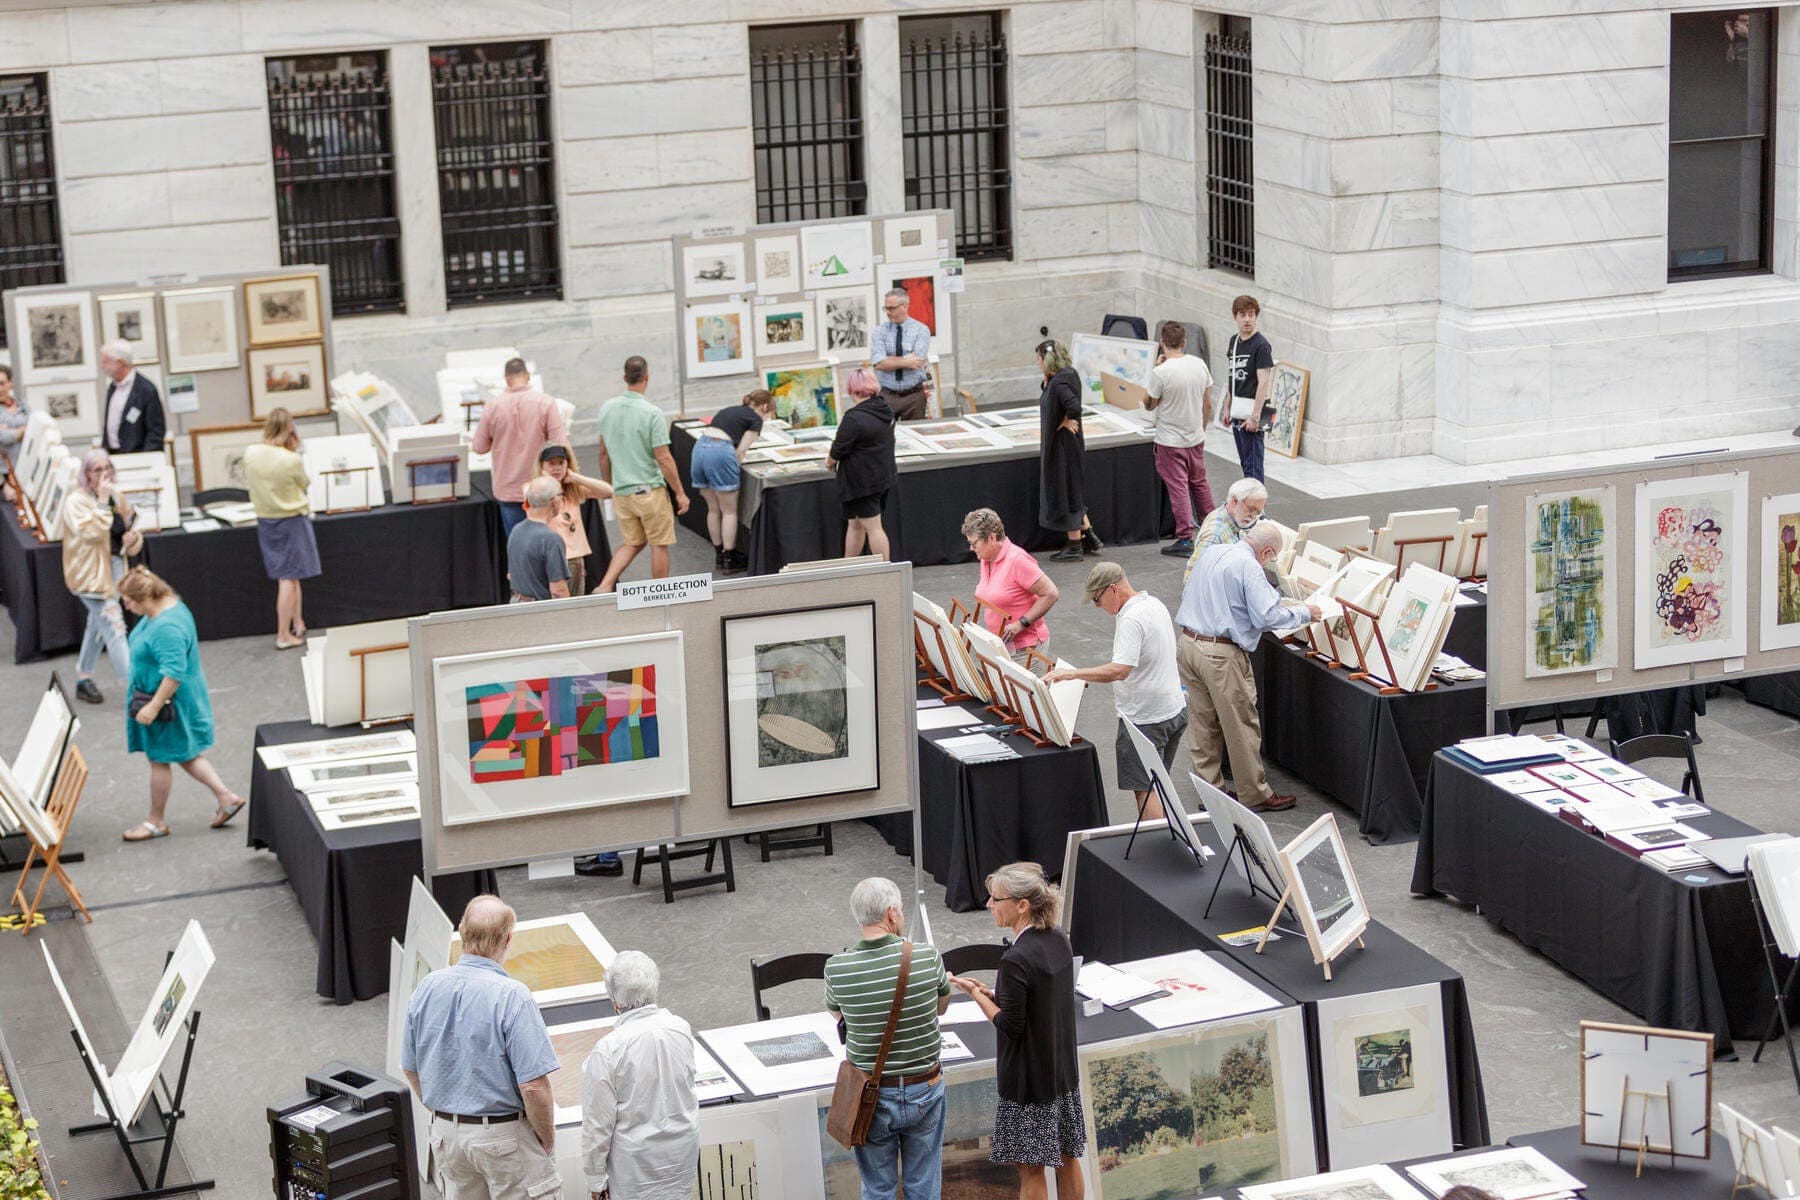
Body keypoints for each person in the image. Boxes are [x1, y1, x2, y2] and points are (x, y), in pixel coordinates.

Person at [402, 895, 563, 1200]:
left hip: (447, 1138)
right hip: (504, 1138)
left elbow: (410, 1067)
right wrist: (546, 1140)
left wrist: (446, 1111)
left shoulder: (427, 986)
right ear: (508, 938)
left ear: (462, 929)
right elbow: (533, 1087)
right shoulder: (513, 996)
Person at [949, 863, 1085, 1200]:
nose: (989, 905)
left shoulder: (1015, 959)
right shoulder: (1057, 939)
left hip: (1027, 1085)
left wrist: (976, 995)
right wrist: (996, 994)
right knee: (1068, 1157)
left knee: (1031, 1169)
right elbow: (1039, 1000)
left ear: (1022, 904)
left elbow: (1010, 1024)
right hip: (1061, 1074)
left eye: (996, 899)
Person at [1176, 523, 1320, 813]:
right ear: (1266, 551)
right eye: (1272, 557)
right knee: (1240, 724)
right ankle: (1254, 794)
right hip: (1219, 654)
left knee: (1203, 723)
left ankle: (1210, 792)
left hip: (1188, 643)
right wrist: (1305, 611)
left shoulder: (1214, 551)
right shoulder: (1249, 566)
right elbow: (1267, 615)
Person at [824, 877, 952, 1200]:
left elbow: (841, 1017)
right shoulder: (927, 957)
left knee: (877, 1189)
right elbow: (941, 1008)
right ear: (892, 914)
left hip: (871, 1096)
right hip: (926, 1089)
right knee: (924, 1186)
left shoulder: (836, 969)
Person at [1046, 563, 1186, 820]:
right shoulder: (1153, 604)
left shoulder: (1131, 618)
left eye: (1097, 600)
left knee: (1145, 788)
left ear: (1113, 589)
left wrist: (1073, 674)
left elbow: (1120, 670)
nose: (1098, 607)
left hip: (1145, 719)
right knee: (1159, 782)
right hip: (1173, 710)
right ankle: (1165, 839)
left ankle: (1155, 845)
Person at [117, 567, 245, 841]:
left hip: (167, 706)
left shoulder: (166, 628)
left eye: (129, 600)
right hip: (172, 701)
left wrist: (152, 706)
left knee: (159, 759)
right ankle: (226, 797)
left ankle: (155, 821)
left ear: (145, 598)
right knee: (185, 753)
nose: (126, 605)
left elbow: (173, 673)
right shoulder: (169, 607)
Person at [580, 951, 699, 1200]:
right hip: (680, 1157)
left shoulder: (609, 1049)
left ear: (614, 1001)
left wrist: (596, 1180)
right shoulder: (680, 1028)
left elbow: (597, 1125)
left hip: (634, 1169)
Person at [596, 357, 690, 593]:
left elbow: (603, 453)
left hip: (622, 491)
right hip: (649, 491)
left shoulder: (606, 409)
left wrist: (609, 486)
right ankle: (661, 596)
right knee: (659, 544)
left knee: (633, 542)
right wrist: (679, 492)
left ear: (625, 378)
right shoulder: (652, 413)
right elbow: (663, 457)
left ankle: (605, 585)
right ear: (647, 377)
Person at [61, 449, 141, 705]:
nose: (105, 473)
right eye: (97, 469)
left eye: (108, 467)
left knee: (97, 625)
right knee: (115, 626)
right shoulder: (76, 502)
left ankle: (83, 679)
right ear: (86, 475)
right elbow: (93, 534)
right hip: (91, 577)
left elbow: (131, 530)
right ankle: (135, 689)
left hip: (116, 568)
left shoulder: (117, 496)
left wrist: (133, 539)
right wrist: (103, 502)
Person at [242, 408, 320, 650]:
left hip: (266, 522)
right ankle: (283, 635)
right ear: (290, 430)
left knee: (291, 576)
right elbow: (305, 483)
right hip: (291, 522)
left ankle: (298, 622)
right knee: (288, 578)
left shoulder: (251, 452)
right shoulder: (290, 459)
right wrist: (292, 450)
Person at [472, 356, 569, 536]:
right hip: (541, 486)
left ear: (506, 378)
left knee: (519, 545)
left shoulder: (492, 406)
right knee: (547, 542)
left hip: (508, 487)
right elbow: (560, 445)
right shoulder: (546, 403)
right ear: (528, 375)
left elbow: (479, 447)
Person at [1147, 320, 1216, 558]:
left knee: (1178, 488)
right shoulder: (1199, 364)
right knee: (1200, 483)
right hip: (1195, 436)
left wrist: (1155, 367)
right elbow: (1207, 403)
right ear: (1185, 342)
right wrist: (1202, 428)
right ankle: (1213, 530)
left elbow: (1149, 404)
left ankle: (1185, 538)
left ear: (1162, 343)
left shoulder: (1161, 372)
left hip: (1170, 441)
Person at [692, 389, 774, 574]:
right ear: (765, 406)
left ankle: (719, 555)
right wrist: (734, 469)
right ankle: (730, 558)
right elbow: (741, 451)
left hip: (700, 448)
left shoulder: (730, 410)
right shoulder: (756, 419)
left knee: (713, 509)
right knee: (729, 511)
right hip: (720, 451)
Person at [963, 508, 1058, 662]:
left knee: (1022, 687)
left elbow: (1051, 593)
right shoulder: (986, 558)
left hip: (1026, 650)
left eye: (974, 543)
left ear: (992, 538)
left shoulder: (1017, 560)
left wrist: (1022, 623)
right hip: (1002, 646)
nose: (971, 548)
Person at [1036, 339, 1099, 562]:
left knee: (1067, 490)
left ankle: (1074, 545)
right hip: (1069, 444)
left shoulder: (1060, 383)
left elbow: (1073, 406)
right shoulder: (1067, 374)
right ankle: (1089, 535)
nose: (1038, 363)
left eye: (1039, 359)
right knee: (1073, 487)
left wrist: (1064, 420)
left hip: (1062, 446)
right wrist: (1047, 383)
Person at [828, 368, 896, 560]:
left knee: (873, 528)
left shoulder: (854, 417)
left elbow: (839, 448)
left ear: (852, 390)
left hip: (861, 482)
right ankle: (849, 566)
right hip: (881, 476)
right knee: (855, 523)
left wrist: (829, 462)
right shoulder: (884, 408)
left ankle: (886, 570)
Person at [534, 443, 612, 597]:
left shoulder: (573, 490)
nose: (557, 468)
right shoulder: (535, 490)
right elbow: (533, 498)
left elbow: (608, 491)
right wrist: (548, 482)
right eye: (551, 463)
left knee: (576, 604)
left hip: (575, 559)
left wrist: (575, 477)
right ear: (541, 466)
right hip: (553, 559)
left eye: (561, 463)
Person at [1222, 295, 1274, 483]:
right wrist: (1227, 407)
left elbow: (1264, 382)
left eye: (1251, 314)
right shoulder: (1234, 342)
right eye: (1242, 315)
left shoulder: (1261, 345)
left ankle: (1257, 509)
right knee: (1245, 463)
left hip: (1253, 412)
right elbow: (1232, 377)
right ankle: (1250, 506)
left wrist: (1255, 416)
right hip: (1237, 408)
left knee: (1254, 464)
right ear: (1235, 317)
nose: (1247, 319)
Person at [1182, 477, 1269, 583]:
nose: (1254, 515)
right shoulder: (1215, 535)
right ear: (1235, 501)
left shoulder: (1233, 518)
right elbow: (1191, 579)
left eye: (1258, 512)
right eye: (1251, 509)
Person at [870, 288, 931, 421]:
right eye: (885, 308)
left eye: (891, 308)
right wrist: (906, 361)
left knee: (916, 432)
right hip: (887, 395)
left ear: (905, 307)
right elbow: (879, 364)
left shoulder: (921, 330)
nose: (887, 312)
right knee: (884, 435)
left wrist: (889, 360)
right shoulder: (879, 331)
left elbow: (917, 362)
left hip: (914, 396)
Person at [507, 476, 571, 602]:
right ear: (554, 501)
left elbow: (511, 575)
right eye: (561, 496)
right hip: (538, 610)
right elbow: (558, 590)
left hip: (516, 602)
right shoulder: (551, 539)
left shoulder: (516, 530)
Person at [99, 341, 165, 455]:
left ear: (119, 363)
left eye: (106, 362)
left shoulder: (146, 390)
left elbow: (156, 431)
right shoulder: (112, 387)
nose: (102, 367)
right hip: (113, 455)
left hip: (138, 456)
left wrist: (146, 458)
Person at [0, 366, 26, 500]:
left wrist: (10, 431)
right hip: (4, 477)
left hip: (25, 471)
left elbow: (33, 429)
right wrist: (20, 432)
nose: (0, 389)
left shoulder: (21, 405)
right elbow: (3, 437)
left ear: (11, 383)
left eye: (2, 383)